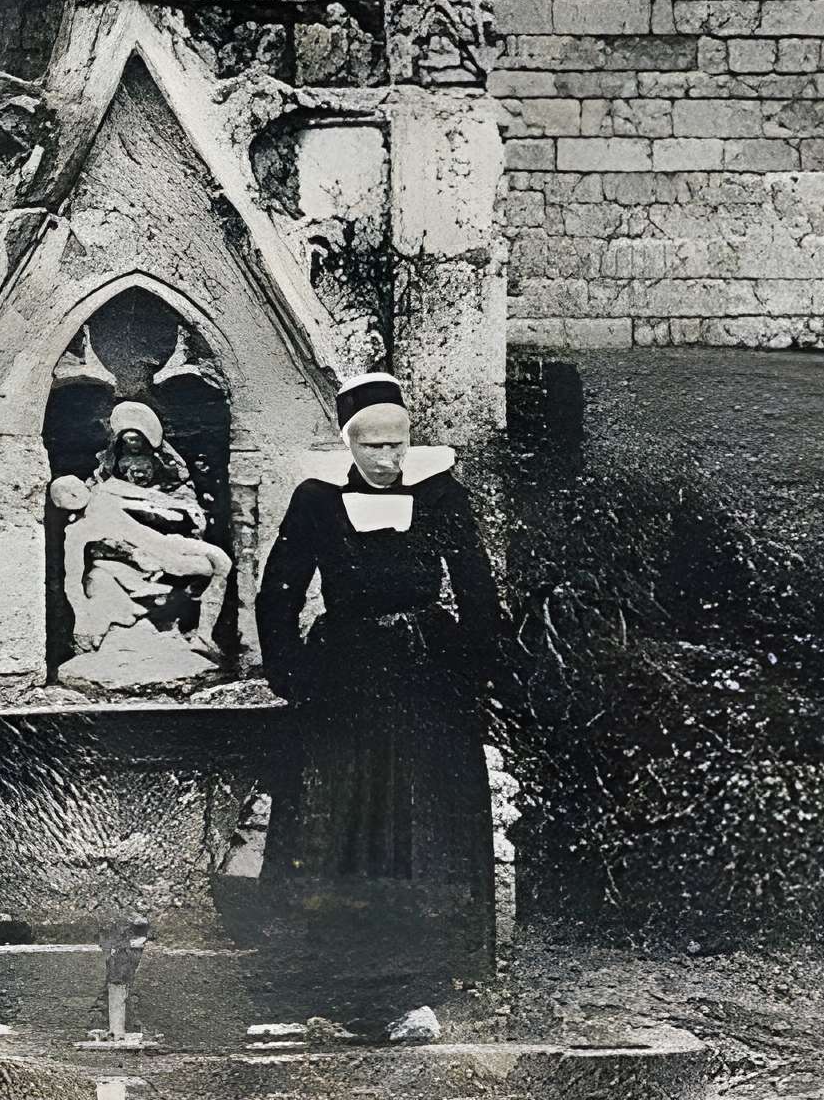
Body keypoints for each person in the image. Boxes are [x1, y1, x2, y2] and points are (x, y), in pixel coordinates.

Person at [254, 371, 505, 1044]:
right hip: (347, 686)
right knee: (343, 827)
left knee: (419, 827)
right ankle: (337, 988)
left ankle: (415, 987)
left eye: (398, 445)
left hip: (424, 682)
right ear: (351, 446)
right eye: (373, 448)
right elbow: (277, 594)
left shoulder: (442, 497)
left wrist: (480, 673)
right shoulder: (317, 502)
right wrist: (292, 675)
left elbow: (476, 587)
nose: (388, 460)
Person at [52, 399, 232, 664]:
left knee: (216, 563)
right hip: (129, 552)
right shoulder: (102, 489)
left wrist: (163, 509)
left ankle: (202, 634)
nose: (134, 446)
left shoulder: (123, 488)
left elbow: (177, 506)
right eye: (129, 441)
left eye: (138, 439)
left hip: (164, 537)